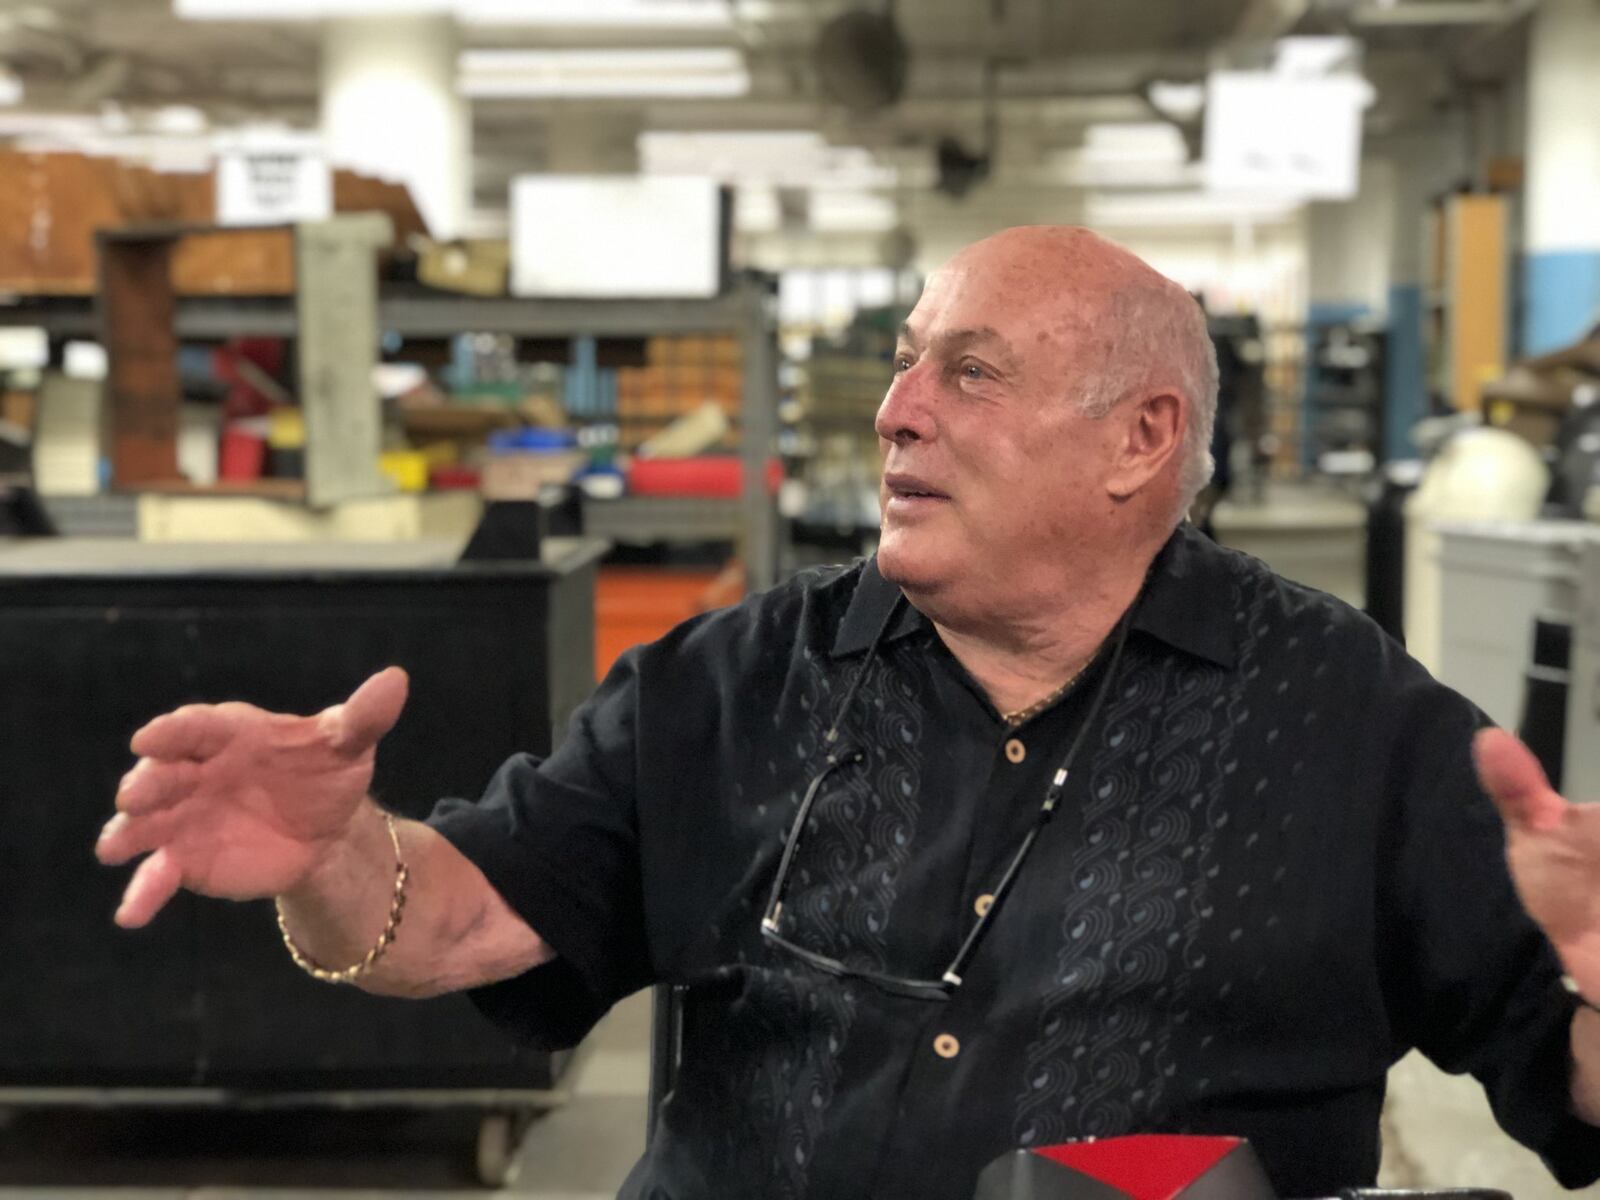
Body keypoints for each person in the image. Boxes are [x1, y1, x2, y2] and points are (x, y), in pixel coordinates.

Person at [96, 226, 1600, 1199]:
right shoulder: (742, 677)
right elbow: (467, 922)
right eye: (902, 369)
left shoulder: (1354, 727)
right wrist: (336, 852)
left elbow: (1570, 1080)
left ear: (1141, 442)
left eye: (971, 373)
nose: (899, 411)